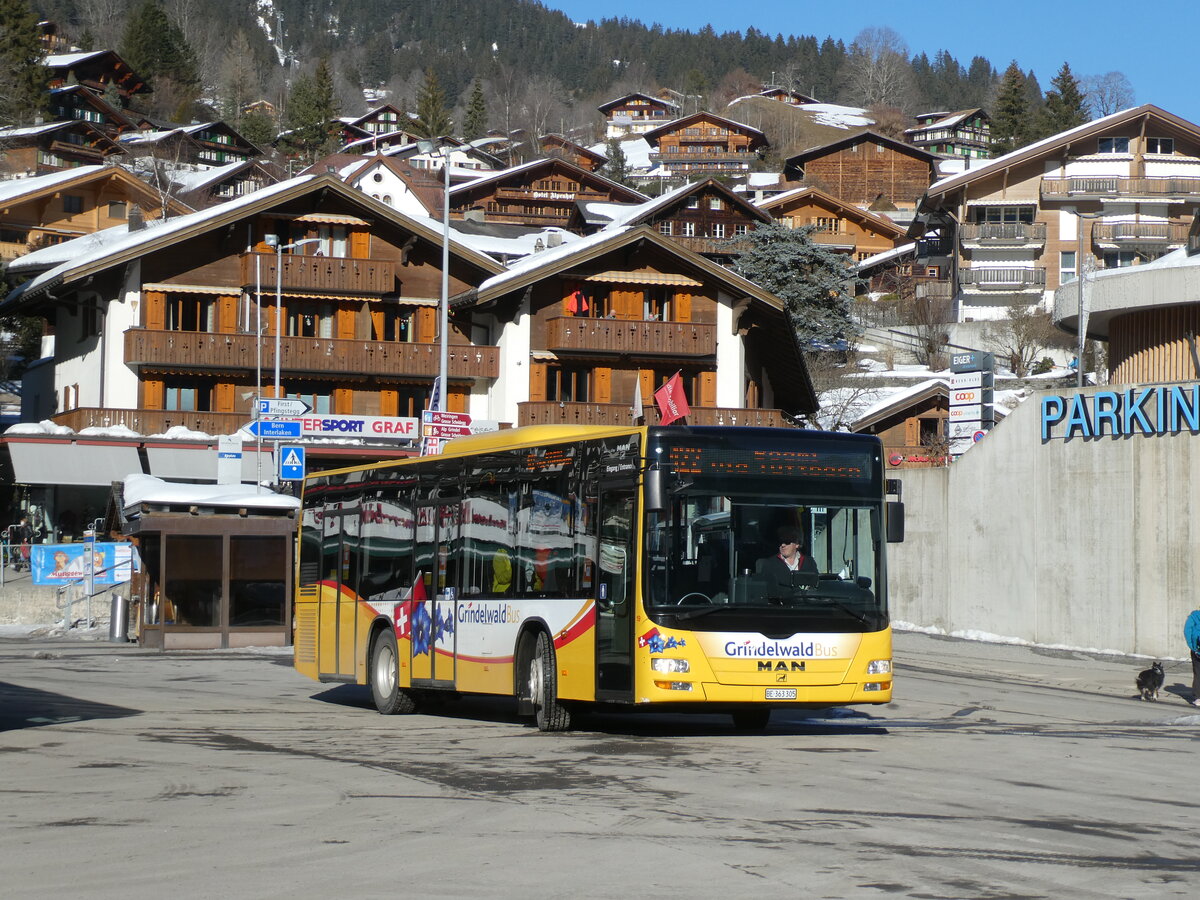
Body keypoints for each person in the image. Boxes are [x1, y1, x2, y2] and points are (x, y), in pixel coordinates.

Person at [756, 526, 818, 594]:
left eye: (787, 542)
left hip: (806, 603)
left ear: (797, 544)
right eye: (780, 542)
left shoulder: (809, 562)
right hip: (781, 603)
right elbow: (765, 591)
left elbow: (815, 586)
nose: (782, 545)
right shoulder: (769, 564)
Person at [1185, 608, 1200, 707]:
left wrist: (1193, 647)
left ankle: (1198, 697)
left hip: (1197, 649)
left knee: (1198, 673)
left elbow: (1187, 631)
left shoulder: (1194, 616)